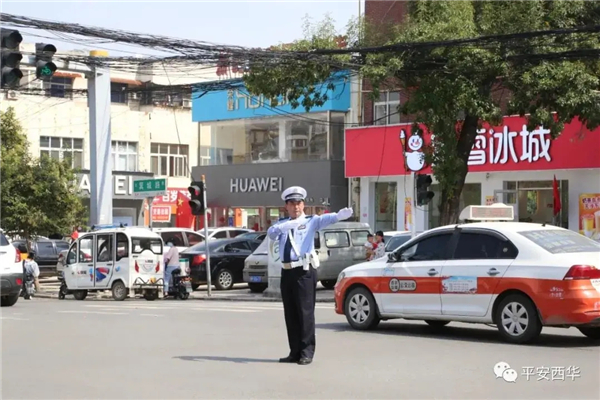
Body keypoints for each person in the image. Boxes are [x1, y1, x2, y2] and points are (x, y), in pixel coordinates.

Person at [267, 186, 353, 365]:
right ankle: (294, 351)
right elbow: (271, 234)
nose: (296, 207)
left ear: (303, 204)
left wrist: (339, 215)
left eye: (298, 203)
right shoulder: (281, 224)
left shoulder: (310, 221)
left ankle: (307, 352)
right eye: (292, 203)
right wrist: (284, 227)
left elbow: (327, 219)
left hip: (304, 271)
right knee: (290, 313)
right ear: (286, 206)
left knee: (305, 313)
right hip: (287, 271)